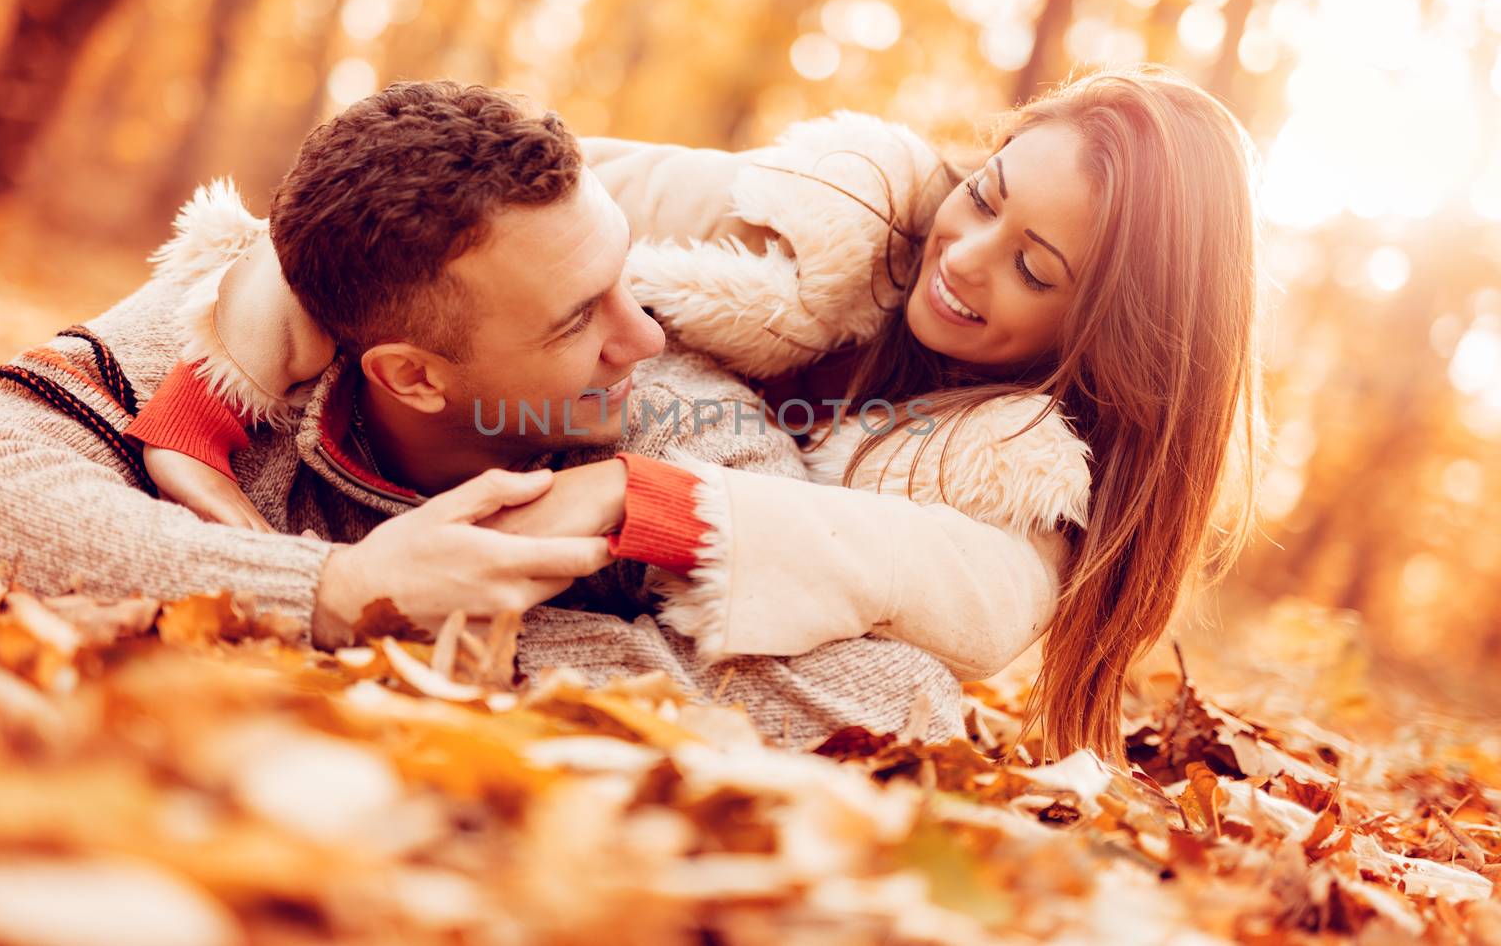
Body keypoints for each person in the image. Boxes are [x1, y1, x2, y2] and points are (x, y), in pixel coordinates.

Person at [131, 66, 1265, 764]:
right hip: (439, 478)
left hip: (639, 603)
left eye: (1036, 266)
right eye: (986, 191)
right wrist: (205, 398)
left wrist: (646, 499)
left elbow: (972, 601)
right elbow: (412, 205)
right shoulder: (814, 217)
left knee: (896, 695)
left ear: (1108, 332)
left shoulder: (1022, 471)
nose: (962, 257)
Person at [0, 81, 975, 747]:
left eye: (622, 279)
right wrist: (337, 589)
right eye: (574, 321)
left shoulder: (683, 408)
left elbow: (898, 691)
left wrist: (445, 636)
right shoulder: (228, 335)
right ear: (410, 373)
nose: (642, 335)